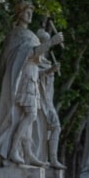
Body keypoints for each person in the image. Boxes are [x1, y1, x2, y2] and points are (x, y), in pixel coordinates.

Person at [0, 0, 63, 167]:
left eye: (31, 11)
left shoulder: (30, 34)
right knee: (29, 115)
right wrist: (51, 42)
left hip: (32, 77)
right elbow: (29, 54)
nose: (30, 14)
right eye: (27, 11)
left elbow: (37, 58)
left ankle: (28, 153)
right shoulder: (17, 34)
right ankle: (14, 150)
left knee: (29, 117)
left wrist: (49, 69)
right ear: (19, 13)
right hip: (23, 79)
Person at [35, 28, 66, 169]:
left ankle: (53, 159)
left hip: (48, 101)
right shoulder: (34, 60)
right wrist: (49, 71)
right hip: (38, 101)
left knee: (56, 127)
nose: (47, 47)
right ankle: (43, 158)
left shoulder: (46, 61)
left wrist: (50, 69)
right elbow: (32, 75)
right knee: (41, 132)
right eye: (45, 43)